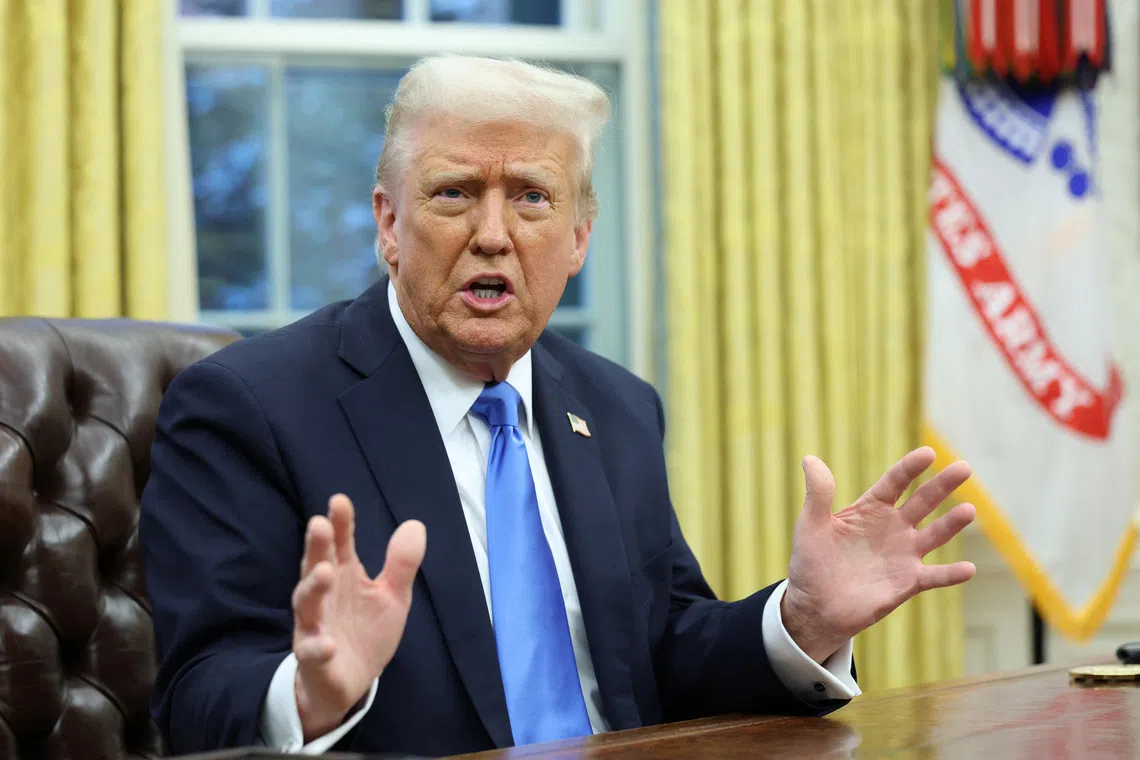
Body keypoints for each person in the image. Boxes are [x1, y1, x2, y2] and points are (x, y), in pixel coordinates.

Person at [139, 55, 977, 757]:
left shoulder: (616, 407)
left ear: (578, 238)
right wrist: (313, 691)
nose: (494, 234)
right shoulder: (249, 408)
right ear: (389, 224)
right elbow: (196, 695)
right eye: (454, 193)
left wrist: (799, 619)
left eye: (533, 198)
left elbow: (658, 655)